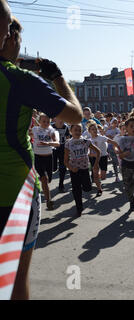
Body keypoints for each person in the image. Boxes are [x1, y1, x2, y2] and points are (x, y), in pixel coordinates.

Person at [0, 8, 82, 300]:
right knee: (14, 279)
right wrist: (58, 78)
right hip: (15, 194)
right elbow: (75, 116)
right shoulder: (20, 80)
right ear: (8, 36)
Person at [64, 123, 100, 217]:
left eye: (79, 130)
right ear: (71, 131)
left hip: (84, 168)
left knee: (87, 188)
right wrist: (71, 168)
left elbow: (98, 151)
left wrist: (95, 164)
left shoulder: (86, 141)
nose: (77, 132)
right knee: (76, 190)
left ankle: (87, 187)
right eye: (75, 130)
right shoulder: (68, 143)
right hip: (74, 170)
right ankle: (79, 209)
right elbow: (65, 160)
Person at [31, 113, 60, 210]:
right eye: (44, 121)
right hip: (38, 157)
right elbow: (25, 134)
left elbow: (57, 143)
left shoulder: (51, 131)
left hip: (49, 158)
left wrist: (48, 143)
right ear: (39, 122)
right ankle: (49, 200)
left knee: (48, 179)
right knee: (44, 179)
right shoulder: (35, 130)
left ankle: (40, 186)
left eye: (48, 121)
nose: (46, 123)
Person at [87, 123, 119, 195]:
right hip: (94, 158)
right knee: (95, 174)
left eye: (95, 129)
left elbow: (112, 141)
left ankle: (98, 179)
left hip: (103, 157)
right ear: (89, 131)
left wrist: (118, 148)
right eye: (92, 129)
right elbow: (87, 152)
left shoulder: (102, 137)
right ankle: (99, 189)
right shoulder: (88, 140)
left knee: (103, 176)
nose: (94, 130)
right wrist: (91, 154)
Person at [51, 118, 71, 192]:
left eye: (62, 119)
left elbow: (68, 138)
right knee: (54, 167)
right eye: (59, 119)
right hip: (53, 148)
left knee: (63, 167)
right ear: (55, 119)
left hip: (62, 147)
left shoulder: (65, 127)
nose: (61, 121)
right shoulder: (51, 127)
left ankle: (61, 185)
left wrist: (68, 149)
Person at [105, 118, 121, 182]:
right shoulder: (108, 130)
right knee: (114, 162)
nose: (115, 124)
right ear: (111, 123)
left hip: (118, 147)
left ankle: (121, 173)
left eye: (116, 122)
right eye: (113, 122)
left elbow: (118, 137)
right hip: (111, 147)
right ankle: (117, 176)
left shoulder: (118, 130)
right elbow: (105, 136)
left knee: (119, 162)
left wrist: (112, 137)